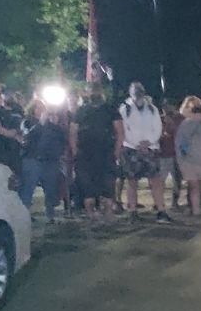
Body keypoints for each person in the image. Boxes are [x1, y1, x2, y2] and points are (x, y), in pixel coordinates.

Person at [115, 82, 172, 223]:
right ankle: (133, 211)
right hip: (131, 148)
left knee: (155, 180)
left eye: (140, 91)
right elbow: (123, 129)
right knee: (132, 181)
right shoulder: (125, 109)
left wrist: (149, 142)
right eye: (135, 91)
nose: (138, 94)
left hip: (150, 149)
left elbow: (158, 127)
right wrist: (137, 143)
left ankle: (161, 211)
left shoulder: (152, 109)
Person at [19, 102, 69, 224]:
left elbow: (61, 139)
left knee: (50, 189)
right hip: (32, 159)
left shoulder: (51, 125)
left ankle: (50, 215)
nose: (42, 110)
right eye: (39, 108)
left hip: (49, 161)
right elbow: (27, 137)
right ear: (33, 110)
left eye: (43, 108)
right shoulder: (27, 122)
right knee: (28, 189)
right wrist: (40, 124)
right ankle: (23, 215)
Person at [74, 83, 117, 221]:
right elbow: (72, 132)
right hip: (85, 156)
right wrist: (75, 151)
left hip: (106, 154)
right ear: (87, 94)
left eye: (97, 91)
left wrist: (116, 151)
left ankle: (108, 212)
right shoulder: (81, 111)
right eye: (92, 91)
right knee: (88, 187)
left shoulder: (110, 109)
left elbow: (120, 131)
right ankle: (91, 213)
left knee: (108, 186)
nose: (94, 94)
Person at [159, 99, 185, 211]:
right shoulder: (159, 119)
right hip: (163, 154)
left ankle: (175, 202)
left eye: (167, 106)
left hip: (176, 154)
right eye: (163, 106)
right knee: (160, 180)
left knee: (177, 180)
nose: (165, 108)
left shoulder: (180, 119)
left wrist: (172, 125)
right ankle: (159, 203)